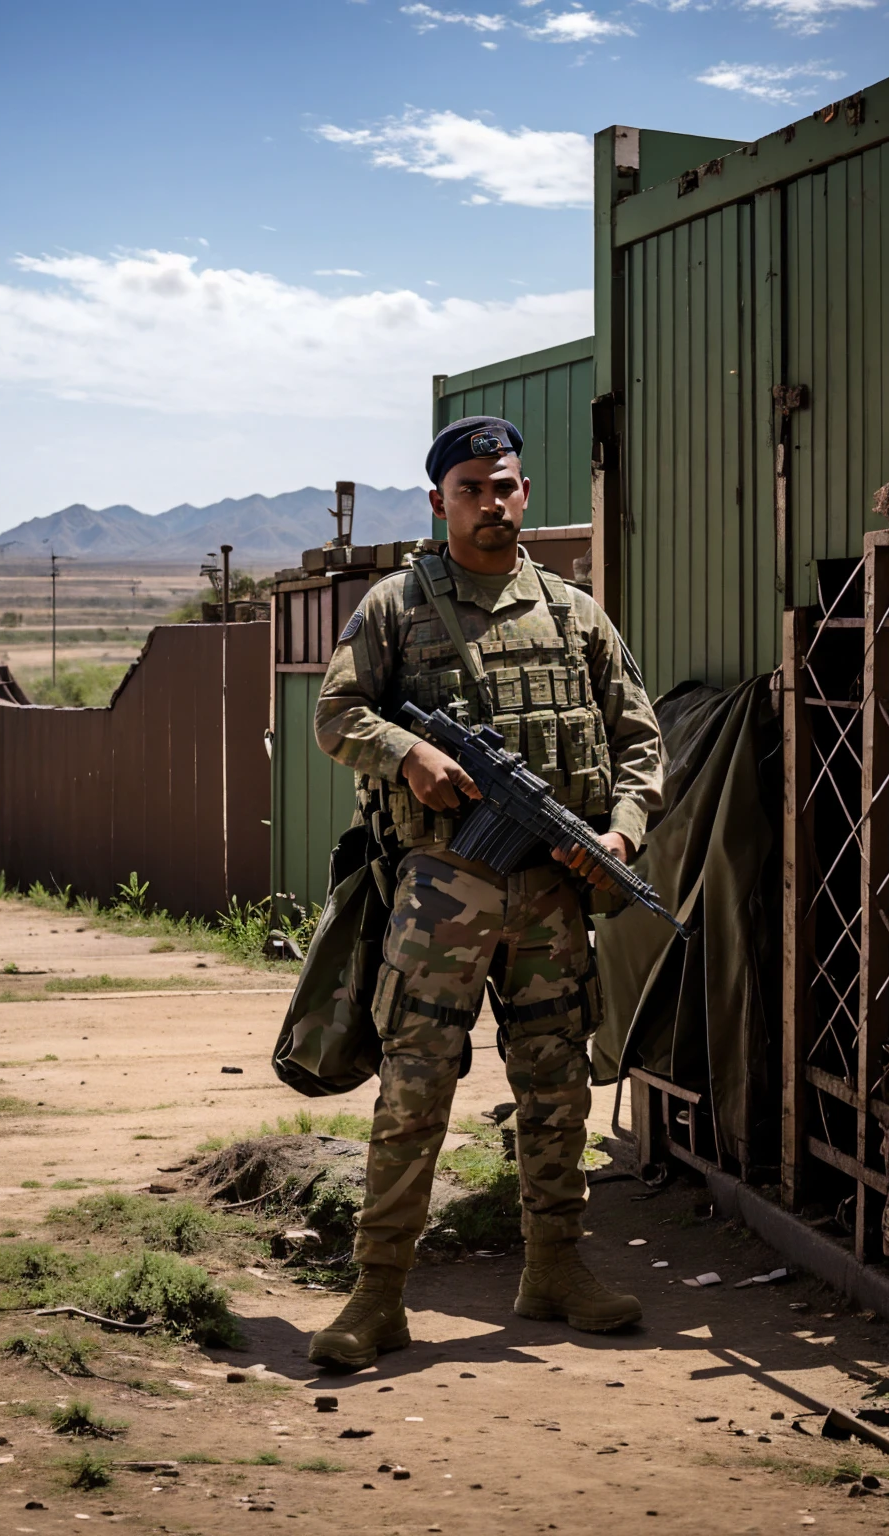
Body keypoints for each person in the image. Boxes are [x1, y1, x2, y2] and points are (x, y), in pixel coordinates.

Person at [308, 415, 666, 1369]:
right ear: (439, 501)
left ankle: (554, 1269)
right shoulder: (393, 606)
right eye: (472, 489)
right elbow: (335, 715)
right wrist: (408, 751)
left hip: (551, 890)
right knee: (416, 1085)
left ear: (525, 491)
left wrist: (621, 830)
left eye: (505, 486)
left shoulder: (574, 611)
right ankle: (377, 1295)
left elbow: (640, 741)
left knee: (555, 1082)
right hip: (442, 887)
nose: (492, 503)